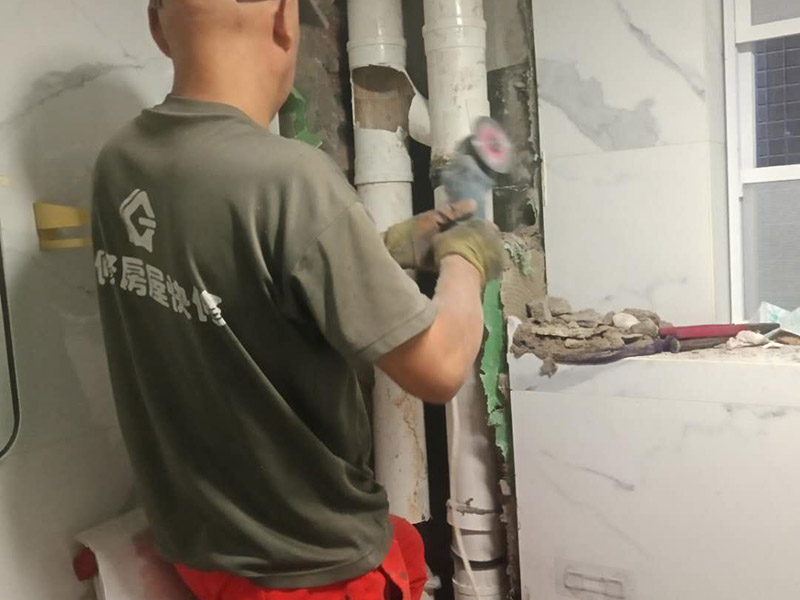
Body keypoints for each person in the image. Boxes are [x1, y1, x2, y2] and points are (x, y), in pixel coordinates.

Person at [91, 1, 505, 599]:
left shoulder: (119, 162)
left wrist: (384, 246)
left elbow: (239, 274)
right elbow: (438, 367)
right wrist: (467, 257)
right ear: (285, 18)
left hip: (203, 552)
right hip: (310, 568)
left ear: (157, 27)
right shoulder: (289, 178)